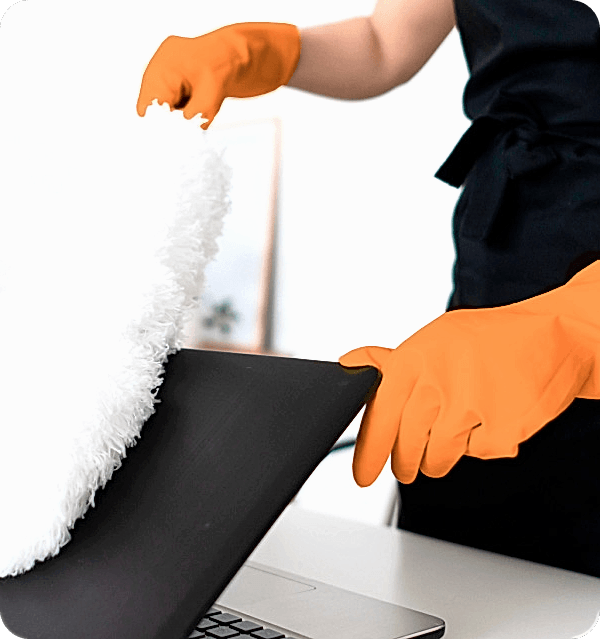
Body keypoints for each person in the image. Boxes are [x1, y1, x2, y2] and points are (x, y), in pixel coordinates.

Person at [137, 0, 600, 577]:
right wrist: (266, 51)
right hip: (506, 243)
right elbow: (385, 44)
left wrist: (576, 326)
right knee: (454, 561)